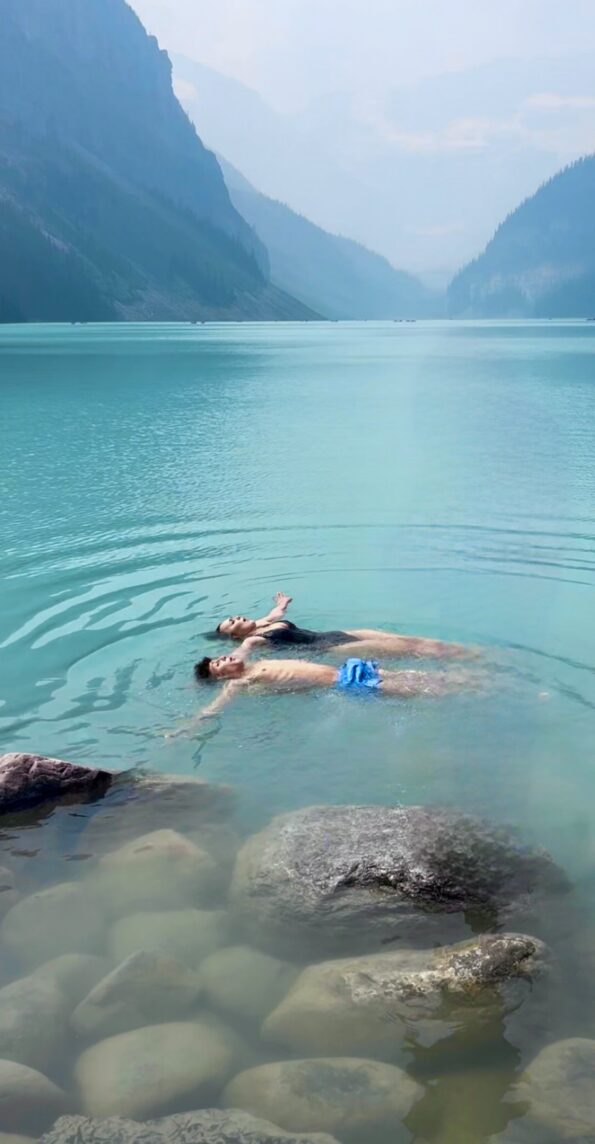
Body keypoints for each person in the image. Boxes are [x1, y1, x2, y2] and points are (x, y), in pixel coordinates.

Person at [186, 636, 480, 726]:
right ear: (222, 677)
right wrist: (185, 729)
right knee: (421, 691)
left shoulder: (251, 661)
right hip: (346, 685)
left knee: (422, 679)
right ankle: (471, 695)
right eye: (218, 666)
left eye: (220, 657)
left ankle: (470, 683)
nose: (223, 660)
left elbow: (246, 644)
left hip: (350, 668)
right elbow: (215, 708)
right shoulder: (239, 682)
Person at [213, 592, 472, 659]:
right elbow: (240, 655)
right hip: (328, 650)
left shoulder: (262, 623)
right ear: (235, 636)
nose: (237, 618)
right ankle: (453, 656)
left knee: (398, 637)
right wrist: (216, 669)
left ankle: (453, 649)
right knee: (398, 648)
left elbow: (276, 612)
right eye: (232, 623)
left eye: (234, 616)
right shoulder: (251, 640)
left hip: (330, 635)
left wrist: (283, 603)